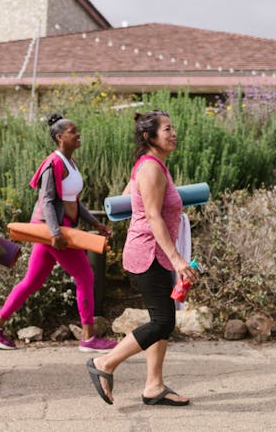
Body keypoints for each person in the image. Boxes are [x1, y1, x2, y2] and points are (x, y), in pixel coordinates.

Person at [85, 110, 199, 406]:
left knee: (161, 316)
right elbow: (151, 216)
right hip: (149, 254)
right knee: (162, 322)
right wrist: (177, 259)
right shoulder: (151, 168)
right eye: (167, 129)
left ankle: (154, 385)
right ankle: (105, 363)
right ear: (149, 137)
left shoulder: (153, 165)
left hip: (156, 254)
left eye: (174, 128)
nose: (174, 134)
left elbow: (129, 195)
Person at [0, 113, 115, 353]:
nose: (78, 134)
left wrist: (95, 223)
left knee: (33, 280)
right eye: (73, 131)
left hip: (54, 230)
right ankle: (89, 337)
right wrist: (55, 233)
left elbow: (73, 201)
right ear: (60, 137)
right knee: (85, 276)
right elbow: (48, 201)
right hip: (52, 230)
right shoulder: (54, 163)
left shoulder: (70, 163)